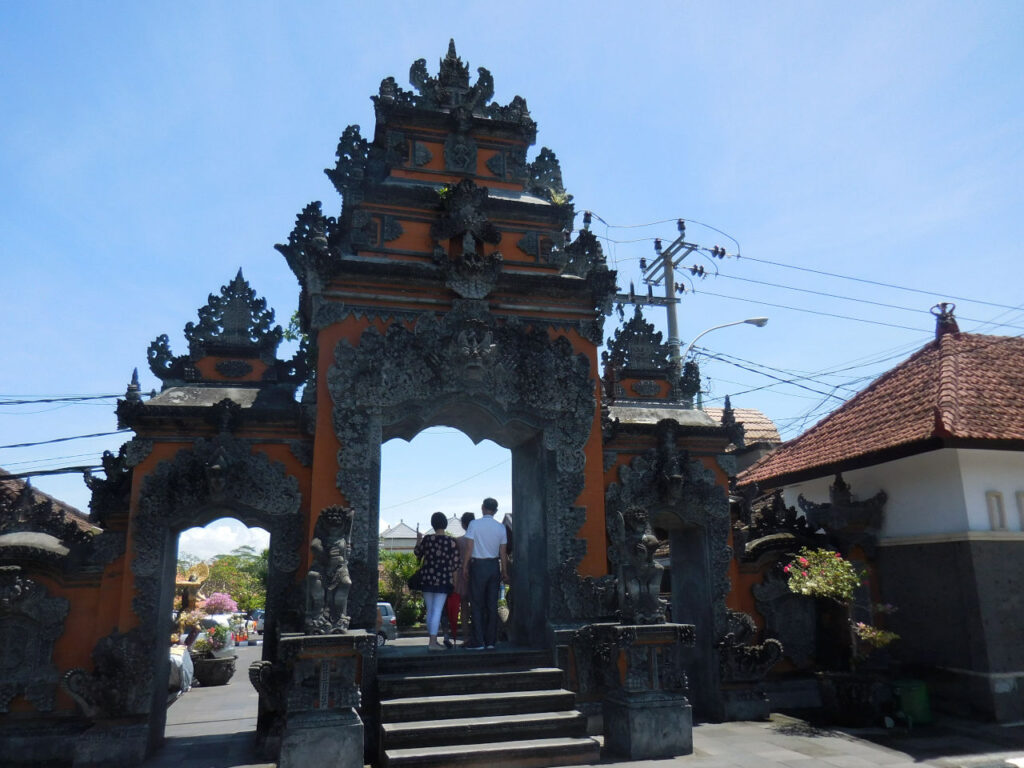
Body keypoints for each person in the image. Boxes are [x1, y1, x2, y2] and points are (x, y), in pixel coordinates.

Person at [461, 497, 508, 650]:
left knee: (476, 604)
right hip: (494, 565)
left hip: (478, 565)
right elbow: (503, 553)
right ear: (495, 511)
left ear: (482, 508)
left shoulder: (474, 525)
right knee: (491, 604)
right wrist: (504, 571)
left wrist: (465, 567)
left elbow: (469, 548)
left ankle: (478, 640)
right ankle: (491, 641)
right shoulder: (501, 527)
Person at [414, 511, 461, 651]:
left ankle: (431, 640)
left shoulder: (427, 539)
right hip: (443, 579)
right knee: (437, 610)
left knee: (430, 610)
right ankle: (432, 642)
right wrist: (455, 583)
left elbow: (417, 553)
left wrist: (418, 539)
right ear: (445, 524)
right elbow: (455, 565)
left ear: (432, 524)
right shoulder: (451, 542)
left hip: (427, 578)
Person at [443, 512, 475, 648]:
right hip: (475, 575)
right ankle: (476, 636)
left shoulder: (458, 540)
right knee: (476, 608)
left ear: (463, 524)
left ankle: (466, 637)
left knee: (463, 608)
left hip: (460, 575)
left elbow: (452, 560)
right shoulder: (477, 539)